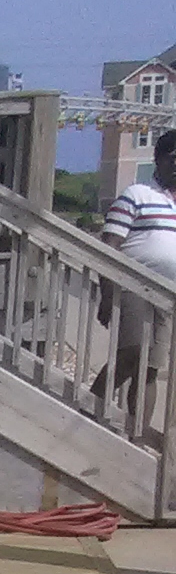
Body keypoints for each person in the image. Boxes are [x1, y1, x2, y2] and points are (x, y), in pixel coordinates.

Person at [99, 129, 176, 417]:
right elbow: (109, 246)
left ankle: (136, 435)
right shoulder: (135, 194)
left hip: (168, 295)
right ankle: (91, 407)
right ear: (158, 160)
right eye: (173, 159)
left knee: (151, 369)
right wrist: (106, 295)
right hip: (131, 285)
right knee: (132, 353)